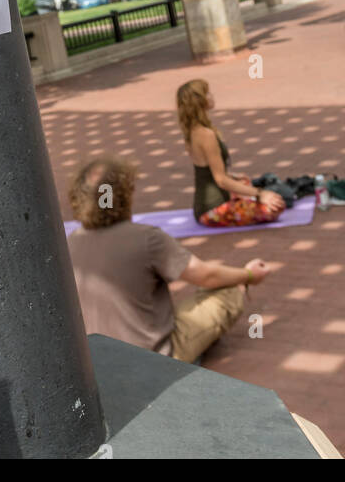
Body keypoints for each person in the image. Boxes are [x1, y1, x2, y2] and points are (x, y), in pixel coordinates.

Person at [66, 156, 272, 364]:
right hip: (154, 358)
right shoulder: (146, 238)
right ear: (125, 194)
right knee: (227, 288)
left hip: (98, 361)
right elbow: (206, 276)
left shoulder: (71, 243)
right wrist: (249, 275)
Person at [178, 78, 285, 226]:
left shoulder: (192, 131)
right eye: (207, 93)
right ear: (200, 101)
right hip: (212, 210)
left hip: (207, 203)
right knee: (275, 207)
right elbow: (220, 180)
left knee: (245, 182)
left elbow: (205, 170)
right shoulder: (206, 135)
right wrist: (261, 194)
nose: (211, 96)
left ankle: (244, 198)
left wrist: (234, 177)